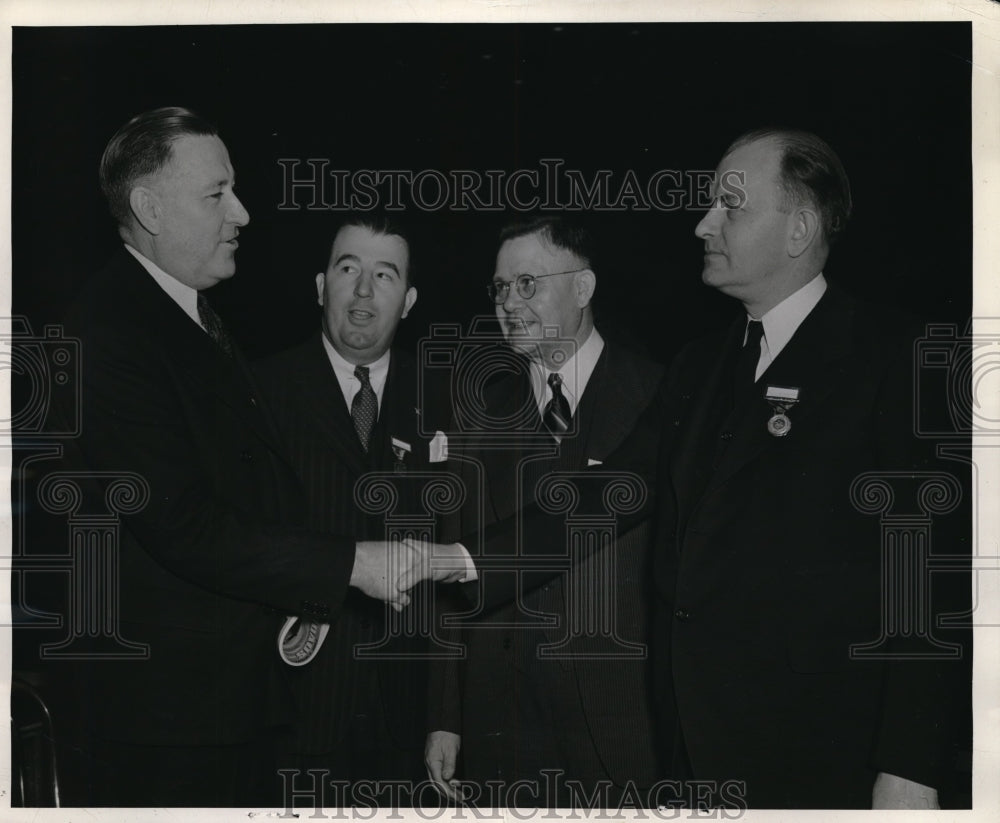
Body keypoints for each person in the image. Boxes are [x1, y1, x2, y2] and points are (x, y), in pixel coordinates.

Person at [57, 107, 433, 806]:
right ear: (149, 208)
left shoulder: (182, 313)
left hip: (219, 708)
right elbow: (185, 524)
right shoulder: (111, 332)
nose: (243, 213)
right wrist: (353, 562)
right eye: (217, 193)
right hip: (168, 727)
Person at [652, 128, 969, 808]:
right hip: (693, 755)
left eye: (729, 206)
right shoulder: (696, 366)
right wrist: (451, 557)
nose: (704, 223)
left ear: (798, 229)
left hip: (828, 761)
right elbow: (611, 493)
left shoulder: (899, 354)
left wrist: (912, 767)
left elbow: (929, 578)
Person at [424, 216, 666, 808]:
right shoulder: (477, 416)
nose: (509, 303)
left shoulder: (661, 398)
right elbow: (449, 583)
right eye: (500, 287)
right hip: (499, 726)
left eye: (527, 283)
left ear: (582, 289)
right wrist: (445, 718)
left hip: (624, 722)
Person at [255, 215, 450, 800]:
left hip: (411, 721)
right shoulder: (257, 392)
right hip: (292, 710)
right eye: (349, 269)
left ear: (408, 300)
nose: (364, 291)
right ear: (321, 287)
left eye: (384, 275)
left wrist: (449, 712)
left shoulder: (445, 397)